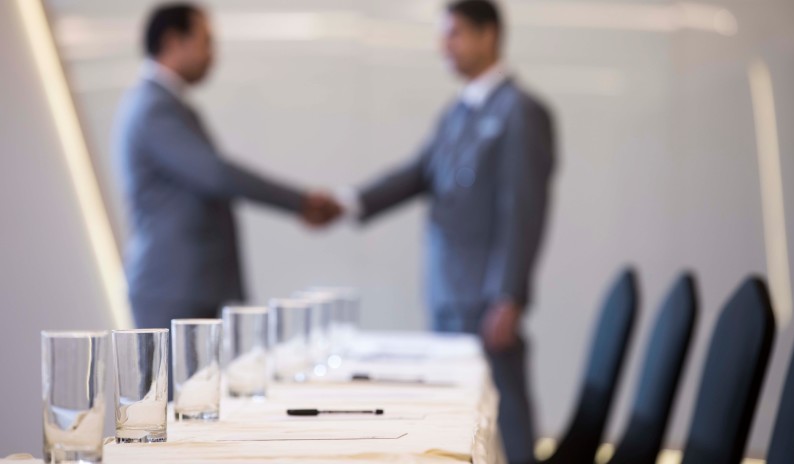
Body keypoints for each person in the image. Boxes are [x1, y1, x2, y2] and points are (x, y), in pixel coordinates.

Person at [334, 1, 556, 462]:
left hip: (486, 299)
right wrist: (348, 202)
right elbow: (418, 173)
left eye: (454, 34)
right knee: (459, 419)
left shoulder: (520, 111)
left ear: (488, 35)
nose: (444, 46)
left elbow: (523, 210)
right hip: (448, 292)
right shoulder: (458, 111)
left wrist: (508, 295)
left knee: (505, 414)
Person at [113, 3, 341, 330]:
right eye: (206, 42)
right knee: (176, 383)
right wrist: (300, 202)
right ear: (174, 40)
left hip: (186, 286)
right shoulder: (155, 108)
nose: (213, 55)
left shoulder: (165, 105)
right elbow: (216, 174)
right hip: (173, 288)